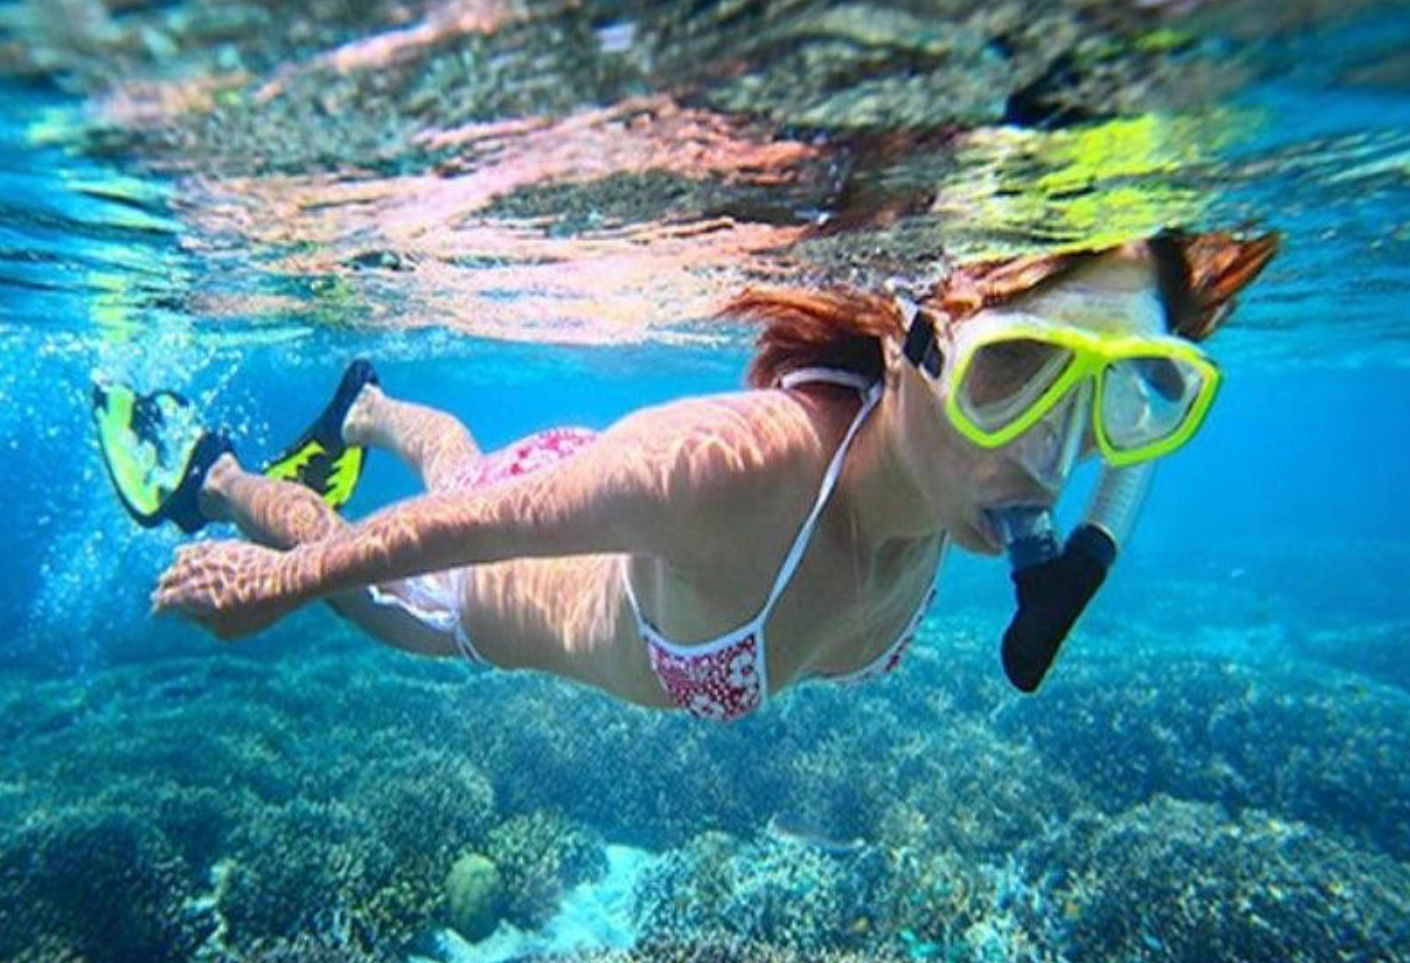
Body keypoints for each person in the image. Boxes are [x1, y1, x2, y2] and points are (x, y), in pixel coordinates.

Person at [94, 229, 1278, 720]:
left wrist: (1099, 551)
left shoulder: (957, 482)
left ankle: (369, 406)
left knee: (462, 461)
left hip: (590, 509)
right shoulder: (744, 466)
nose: (1056, 452)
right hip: (490, 590)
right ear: (910, 344)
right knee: (362, 568)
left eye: (1126, 391)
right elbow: (480, 529)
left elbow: (1139, 404)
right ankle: (212, 473)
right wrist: (275, 589)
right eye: (1018, 369)